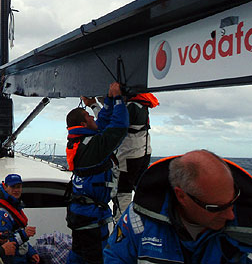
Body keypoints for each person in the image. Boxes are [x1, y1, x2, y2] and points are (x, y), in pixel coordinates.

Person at [104, 149, 252, 263]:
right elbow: (115, 257)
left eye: (233, 201)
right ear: (181, 196)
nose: (230, 215)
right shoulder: (138, 219)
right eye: (216, 208)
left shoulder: (247, 227)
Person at [65, 82, 128, 264]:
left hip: (81, 214)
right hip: (91, 219)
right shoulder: (92, 147)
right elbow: (119, 128)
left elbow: (101, 123)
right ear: (84, 123)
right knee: (96, 258)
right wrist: (118, 99)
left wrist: (108, 100)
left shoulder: (81, 142)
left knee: (78, 254)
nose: (94, 118)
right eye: (90, 116)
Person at [114, 92, 159, 218]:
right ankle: (145, 218)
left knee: (123, 191)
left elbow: (113, 123)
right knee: (140, 187)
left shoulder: (131, 107)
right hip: (142, 154)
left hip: (129, 156)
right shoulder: (140, 105)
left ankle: (121, 224)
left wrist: (95, 105)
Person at [0, 174, 40, 264]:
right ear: (6, 187)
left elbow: (17, 231)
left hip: (21, 257)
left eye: (18, 187)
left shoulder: (14, 205)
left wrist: (31, 252)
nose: (16, 190)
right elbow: (3, 243)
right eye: (13, 187)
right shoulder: (2, 213)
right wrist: (24, 235)